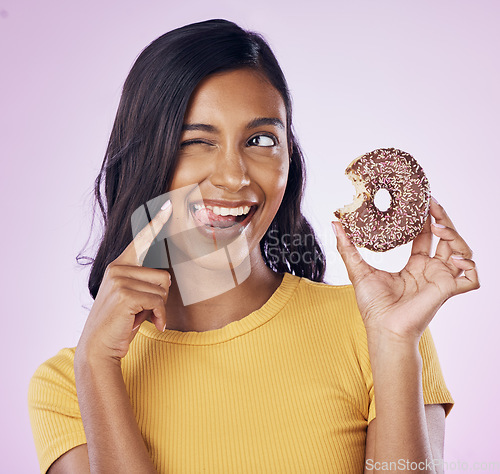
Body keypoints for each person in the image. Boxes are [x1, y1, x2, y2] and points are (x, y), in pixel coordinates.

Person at [28, 19, 479, 473]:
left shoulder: (375, 329)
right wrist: (97, 367)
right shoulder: (71, 382)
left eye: (261, 140)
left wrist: (395, 344)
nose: (233, 176)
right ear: (146, 155)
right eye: (196, 141)